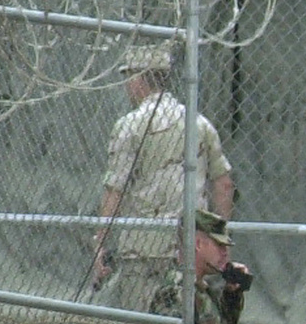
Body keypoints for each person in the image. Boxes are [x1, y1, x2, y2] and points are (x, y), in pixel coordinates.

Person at [91, 41, 236, 301]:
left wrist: (100, 243)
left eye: (127, 78)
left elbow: (115, 190)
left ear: (137, 79)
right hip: (192, 243)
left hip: (143, 246)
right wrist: (218, 239)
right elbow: (224, 184)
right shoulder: (200, 123)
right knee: (189, 322)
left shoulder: (130, 126)